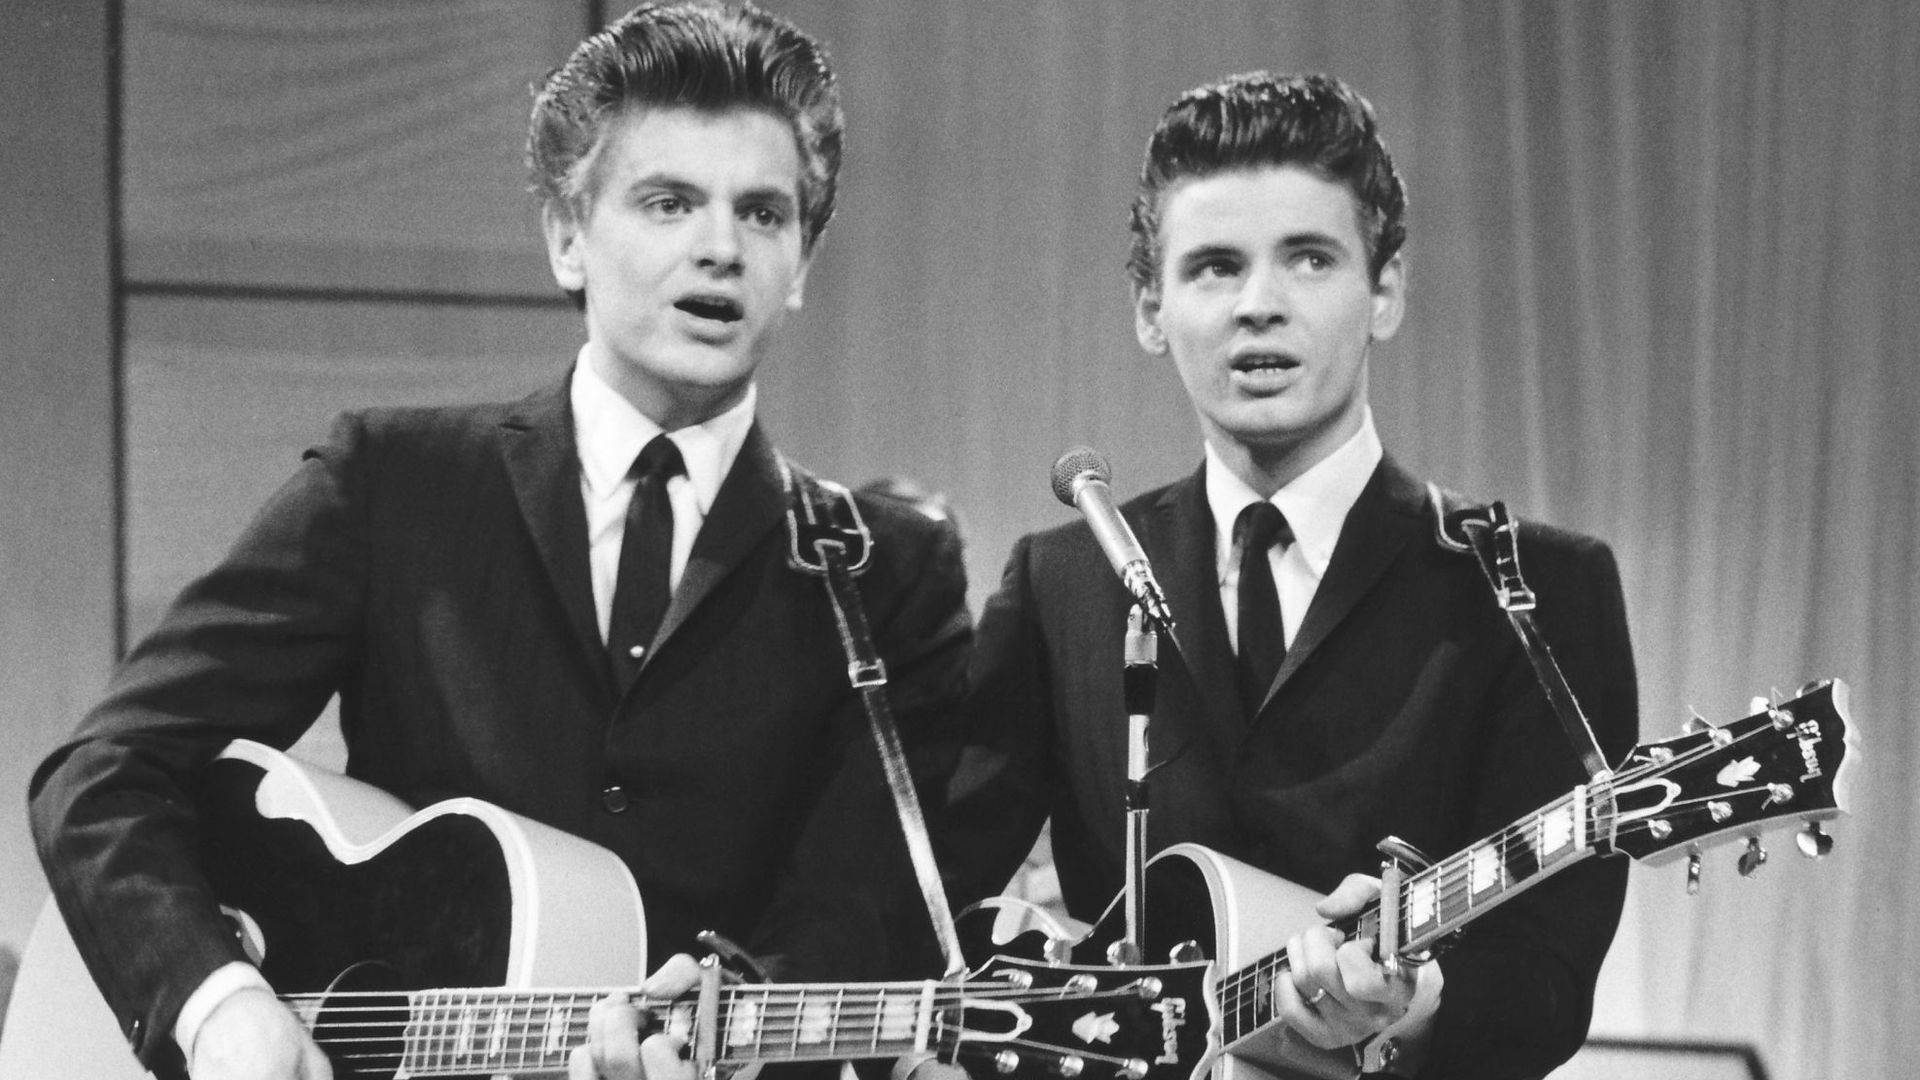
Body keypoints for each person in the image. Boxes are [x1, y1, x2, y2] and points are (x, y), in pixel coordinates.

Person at [27, 5, 970, 1080]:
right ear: (567, 238)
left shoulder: (886, 572)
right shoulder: (393, 483)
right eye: (668, 202)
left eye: (764, 213)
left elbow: (851, 910)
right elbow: (100, 773)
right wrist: (218, 1001)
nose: (721, 246)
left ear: (800, 265)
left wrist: (731, 1018)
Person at [939, 72, 1638, 1079]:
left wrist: (1417, 1005)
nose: (1259, 305)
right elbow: (928, 902)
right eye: (1215, 268)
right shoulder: (1068, 583)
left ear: (1385, 289)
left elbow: (1550, 980)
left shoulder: (1535, 592)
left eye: (1309, 260)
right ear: (1151, 308)